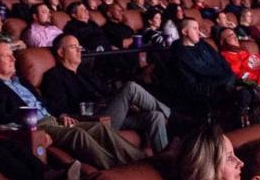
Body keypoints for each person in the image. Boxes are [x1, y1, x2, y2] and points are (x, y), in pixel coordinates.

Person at [0, 39, 145, 170]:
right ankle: (118, 170)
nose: (13, 59)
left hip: (53, 120)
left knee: (100, 128)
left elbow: (45, 103)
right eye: (7, 56)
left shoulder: (22, 81)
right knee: (77, 134)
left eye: (13, 55)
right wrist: (32, 124)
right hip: (34, 126)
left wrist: (62, 115)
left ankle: (143, 162)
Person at [39, 34, 172, 152]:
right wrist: (62, 115)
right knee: (130, 87)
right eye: (74, 47)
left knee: (155, 116)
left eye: (79, 46)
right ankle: (173, 117)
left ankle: (162, 160)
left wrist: (126, 104)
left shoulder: (85, 72)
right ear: (61, 52)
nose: (80, 50)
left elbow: (107, 92)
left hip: (110, 111)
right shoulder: (54, 76)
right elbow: (56, 105)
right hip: (93, 120)